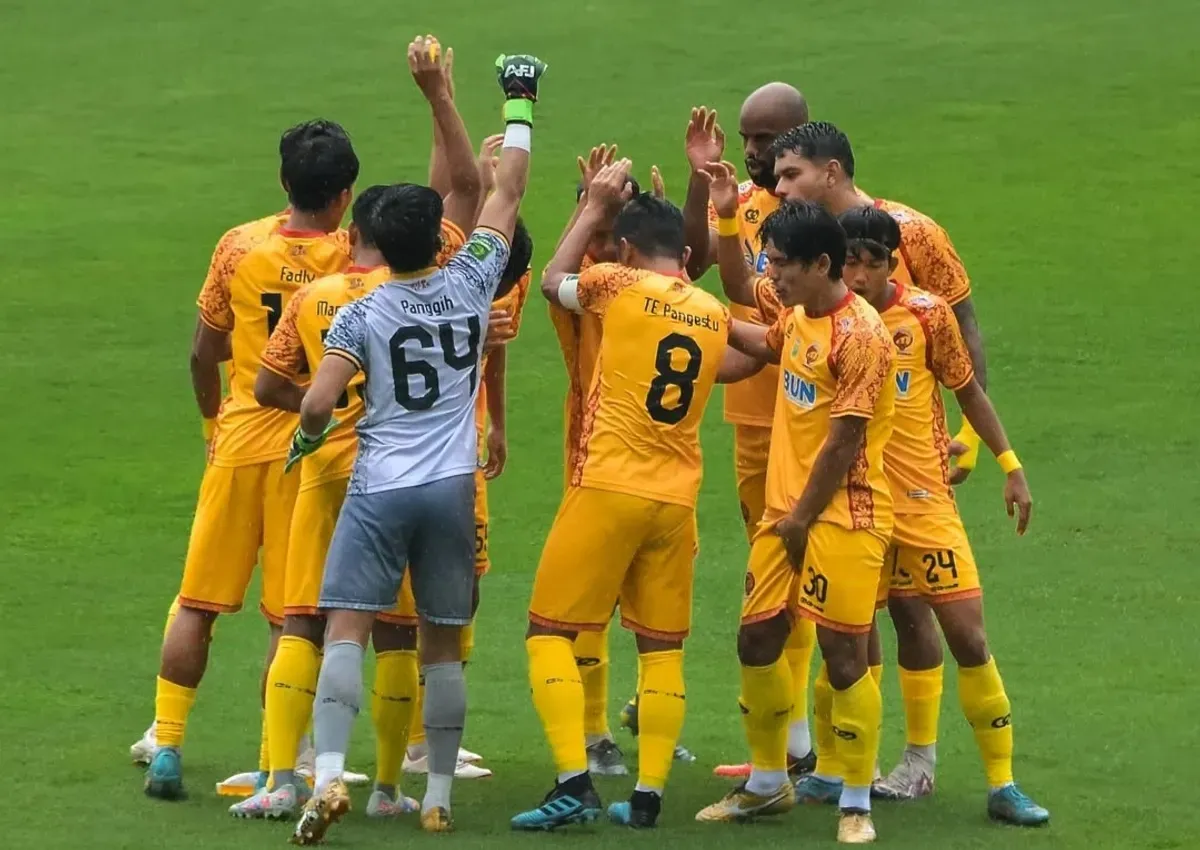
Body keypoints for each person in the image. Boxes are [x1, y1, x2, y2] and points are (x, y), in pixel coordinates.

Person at [285, 49, 545, 844]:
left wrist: (309, 434)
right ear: (439, 238)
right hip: (453, 487)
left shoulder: (361, 312)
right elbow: (505, 187)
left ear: (370, 240)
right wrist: (519, 100)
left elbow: (319, 401)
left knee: (346, 629)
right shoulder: (473, 283)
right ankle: (435, 795)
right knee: (439, 645)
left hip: (380, 485)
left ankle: (326, 777)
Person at [514, 163, 738, 831]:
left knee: (547, 631)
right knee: (661, 647)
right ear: (688, 258)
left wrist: (590, 210)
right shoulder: (711, 313)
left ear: (630, 251)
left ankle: (574, 782)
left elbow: (553, 283)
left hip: (609, 483)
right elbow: (752, 357)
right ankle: (647, 798)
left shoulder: (616, 284)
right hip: (677, 501)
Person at [143, 119, 359, 802]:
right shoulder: (353, 257)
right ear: (346, 195)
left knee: (197, 601)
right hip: (311, 449)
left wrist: (214, 423)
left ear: (282, 180)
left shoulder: (239, 244)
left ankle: (167, 743)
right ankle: (275, 763)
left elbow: (203, 351)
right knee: (289, 619)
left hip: (238, 443)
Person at [834, 206, 1048, 826]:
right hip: (860, 504)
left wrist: (1009, 465)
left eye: (869, 263)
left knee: (968, 636)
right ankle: (861, 771)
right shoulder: (829, 318)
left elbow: (967, 389)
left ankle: (1002, 783)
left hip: (926, 499)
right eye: (848, 262)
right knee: (858, 638)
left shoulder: (927, 315)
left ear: (891, 262)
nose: (858, 275)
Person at [695, 201, 895, 846]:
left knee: (843, 654)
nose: (771, 276)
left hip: (844, 515)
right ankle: (766, 783)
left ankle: (856, 802)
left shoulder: (861, 335)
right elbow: (763, 342)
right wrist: (702, 314)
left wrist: (802, 519)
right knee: (756, 641)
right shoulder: (800, 317)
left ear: (821, 264)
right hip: (787, 518)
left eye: (781, 265)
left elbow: (844, 441)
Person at [680, 86, 820, 780]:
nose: (756, 152)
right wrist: (697, 178)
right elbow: (686, 259)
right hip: (753, 423)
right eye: (747, 138)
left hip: (812, 425)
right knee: (776, 578)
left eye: (768, 138)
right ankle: (793, 747)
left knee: (808, 581)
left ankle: (806, 750)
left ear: (803, 133)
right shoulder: (739, 200)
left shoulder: (826, 220)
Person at [769, 121, 988, 475]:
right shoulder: (798, 245)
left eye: (792, 175)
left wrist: (971, 433)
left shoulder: (915, 234)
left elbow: (963, 324)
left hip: (907, 459)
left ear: (831, 173)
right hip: (820, 452)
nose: (779, 189)